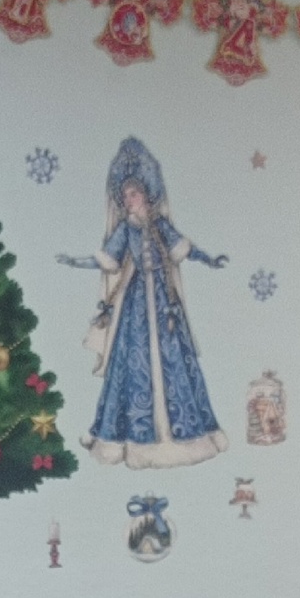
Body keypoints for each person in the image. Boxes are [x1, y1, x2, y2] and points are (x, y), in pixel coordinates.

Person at [58, 135, 228, 470]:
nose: (128, 201)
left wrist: (210, 259)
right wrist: (74, 261)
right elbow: (107, 259)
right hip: (135, 305)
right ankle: (129, 441)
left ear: (146, 194)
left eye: (132, 194)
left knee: (175, 362)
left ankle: (185, 438)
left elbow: (184, 249)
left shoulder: (161, 225)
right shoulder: (125, 229)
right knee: (132, 365)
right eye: (124, 196)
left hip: (165, 303)